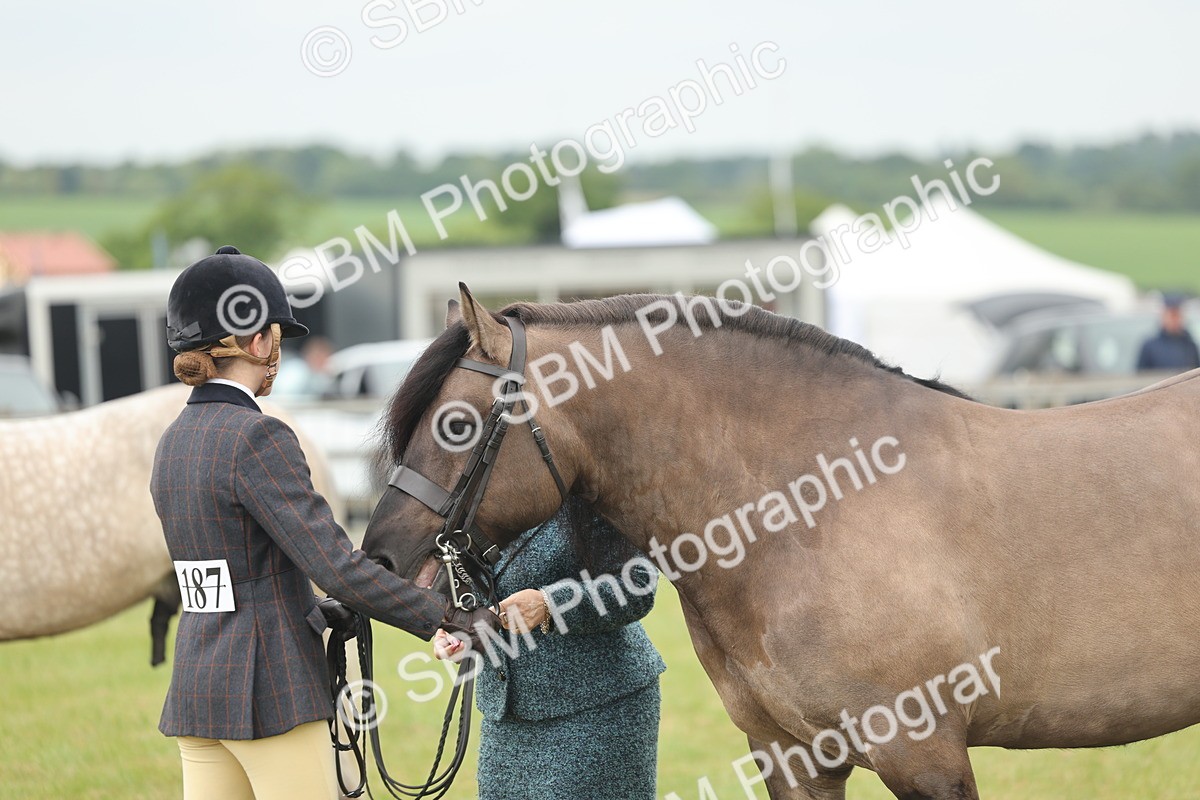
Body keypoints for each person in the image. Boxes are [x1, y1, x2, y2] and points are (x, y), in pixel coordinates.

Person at [151, 245, 495, 800]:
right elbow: (335, 565)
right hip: (271, 691)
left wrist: (315, 612)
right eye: (277, 339)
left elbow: (231, 576)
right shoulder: (257, 436)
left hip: (199, 689)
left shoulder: (173, 442)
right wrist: (444, 616)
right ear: (258, 340)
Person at [433, 502, 666, 800]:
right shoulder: (476, 503)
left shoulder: (585, 496)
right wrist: (458, 631)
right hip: (505, 723)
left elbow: (637, 585)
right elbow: (471, 593)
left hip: (599, 708)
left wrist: (550, 605)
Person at [1136, 293, 1200, 372]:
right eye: (1172, 315)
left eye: (1178, 315)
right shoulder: (1150, 346)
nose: (1175, 319)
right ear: (1163, 316)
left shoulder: (1190, 345)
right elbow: (1140, 376)